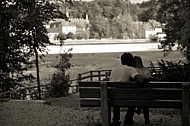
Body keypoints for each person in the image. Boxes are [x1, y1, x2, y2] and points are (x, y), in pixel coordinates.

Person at [109, 52, 143, 126]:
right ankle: (128, 119)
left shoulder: (114, 70)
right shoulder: (131, 69)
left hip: (112, 97)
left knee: (117, 94)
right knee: (134, 98)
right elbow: (140, 80)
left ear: (121, 61)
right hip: (125, 97)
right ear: (131, 61)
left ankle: (116, 119)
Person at [133, 56, 152, 124]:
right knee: (144, 98)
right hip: (148, 94)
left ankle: (138, 109)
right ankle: (147, 119)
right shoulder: (146, 69)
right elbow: (150, 78)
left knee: (138, 96)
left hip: (138, 94)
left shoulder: (134, 70)